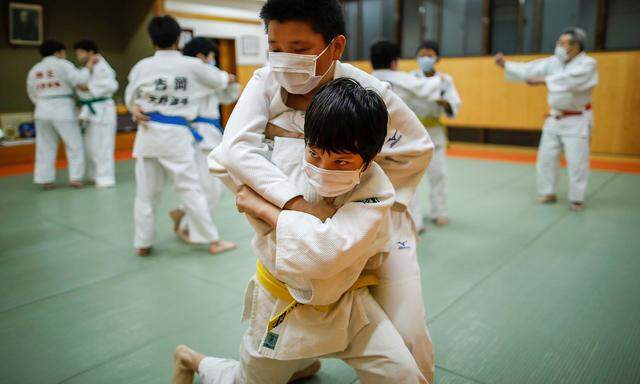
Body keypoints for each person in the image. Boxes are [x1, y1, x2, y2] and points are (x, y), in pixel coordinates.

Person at [209, 0, 435, 380]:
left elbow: (416, 150)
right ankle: (295, 362)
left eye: (299, 50)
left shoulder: (366, 93)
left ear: (336, 46)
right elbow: (234, 150)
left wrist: (361, 204)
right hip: (302, 222)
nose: (284, 60)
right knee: (302, 300)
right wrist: (298, 204)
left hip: (376, 229)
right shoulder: (265, 83)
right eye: (275, 48)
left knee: (409, 332)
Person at [173, 78, 427, 384]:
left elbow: (323, 251)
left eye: (342, 161)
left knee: (404, 375)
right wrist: (264, 188)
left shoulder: (377, 191)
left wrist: (265, 207)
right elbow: (222, 159)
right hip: (283, 307)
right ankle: (192, 359)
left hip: (348, 307)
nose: (324, 167)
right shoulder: (287, 156)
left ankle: (299, 363)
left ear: (369, 161)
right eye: (315, 154)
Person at [125, 16, 235, 256]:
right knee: (189, 188)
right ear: (178, 39)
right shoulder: (191, 66)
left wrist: (134, 108)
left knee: (146, 193)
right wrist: (228, 78)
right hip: (176, 137)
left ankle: (142, 243)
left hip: (147, 136)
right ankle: (212, 240)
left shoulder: (142, 67)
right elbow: (221, 79)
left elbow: (130, 97)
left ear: (152, 40)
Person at [495, 27, 598, 211]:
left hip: (577, 119)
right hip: (554, 117)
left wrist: (544, 81)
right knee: (546, 158)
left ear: (577, 46)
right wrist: (506, 65)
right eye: (559, 42)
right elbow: (530, 68)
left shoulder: (588, 64)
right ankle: (548, 192)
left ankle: (577, 198)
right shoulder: (554, 62)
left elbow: (571, 80)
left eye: (564, 43)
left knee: (577, 162)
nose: (560, 46)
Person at [370, 40, 460, 232]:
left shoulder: (445, 80)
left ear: (437, 58)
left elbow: (453, 102)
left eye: (430, 54)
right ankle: (413, 221)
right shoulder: (409, 78)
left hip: (431, 132)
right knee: (409, 180)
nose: (425, 58)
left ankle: (439, 212)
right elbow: (422, 88)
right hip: (409, 133)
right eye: (422, 54)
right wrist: (437, 84)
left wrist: (445, 102)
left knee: (438, 175)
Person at [168, 37, 239, 250]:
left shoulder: (205, 78)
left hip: (207, 135)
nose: (213, 61)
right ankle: (191, 227)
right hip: (198, 136)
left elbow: (227, 96)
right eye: (212, 57)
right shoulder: (196, 75)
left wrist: (230, 82)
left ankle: (185, 213)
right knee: (209, 188)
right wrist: (227, 78)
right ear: (201, 57)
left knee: (208, 186)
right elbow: (225, 85)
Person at [26, 39, 95, 190]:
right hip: (62, 107)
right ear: (58, 52)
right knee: (74, 144)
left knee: (45, 146)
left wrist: (42, 103)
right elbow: (80, 79)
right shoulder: (63, 64)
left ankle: (46, 180)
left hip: (41, 108)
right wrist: (88, 67)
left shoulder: (34, 70)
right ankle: (76, 178)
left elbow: (31, 92)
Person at [74, 39, 119, 188]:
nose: (78, 56)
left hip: (102, 110)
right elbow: (79, 85)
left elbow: (109, 85)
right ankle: (94, 174)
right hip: (91, 111)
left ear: (91, 52)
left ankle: (105, 178)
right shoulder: (87, 67)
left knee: (103, 146)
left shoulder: (102, 66)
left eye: (80, 52)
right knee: (90, 145)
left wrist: (86, 87)